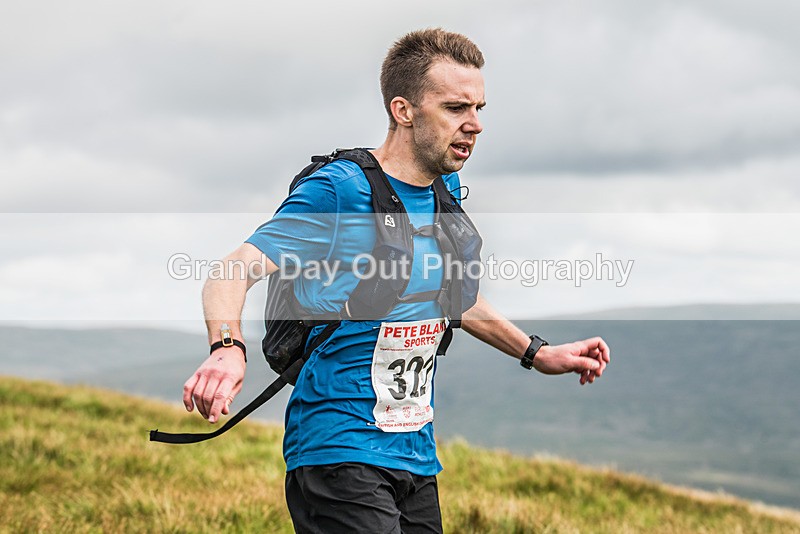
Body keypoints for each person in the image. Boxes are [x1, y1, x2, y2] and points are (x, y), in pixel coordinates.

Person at [181, 28, 610, 533]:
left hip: (414, 455)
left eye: (479, 108)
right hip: (337, 450)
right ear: (403, 111)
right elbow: (232, 270)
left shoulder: (443, 192)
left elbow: (454, 298)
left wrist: (537, 354)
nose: (474, 125)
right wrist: (227, 346)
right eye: (455, 108)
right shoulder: (341, 191)